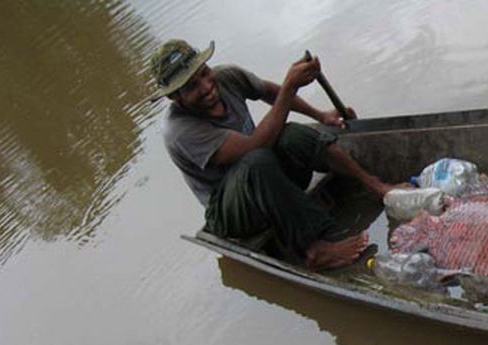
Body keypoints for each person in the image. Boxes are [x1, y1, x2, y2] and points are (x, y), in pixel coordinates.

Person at [150, 39, 395, 270]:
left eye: (204, 73)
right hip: (233, 211)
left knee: (293, 135)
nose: (206, 87)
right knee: (257, 161)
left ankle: (374, 185)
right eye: (192, 86)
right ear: (175, 97)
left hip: (266, 177)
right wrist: (290, 86)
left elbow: (270, 93)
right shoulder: (180, 130)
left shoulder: (226, 76)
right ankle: (314, 250)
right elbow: (252, 148)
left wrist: (321, 116)